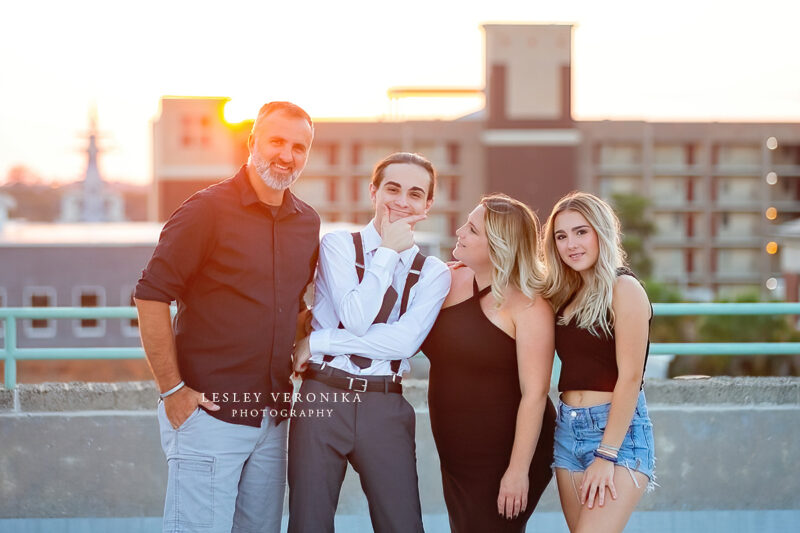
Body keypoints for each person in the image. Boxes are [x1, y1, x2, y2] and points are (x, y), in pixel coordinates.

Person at [134, 101, 319, 533]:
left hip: (272, 419)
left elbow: (285, 309)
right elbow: (151, 296)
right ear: (252, 142)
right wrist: (173, 392)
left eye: (299, 147)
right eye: (276, 141)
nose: (286, 155)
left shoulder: (306, 222)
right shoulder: (205, 210)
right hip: (208, 414)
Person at [288, 152, 451, 533]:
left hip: (385, 403)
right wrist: (388, 253)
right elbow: (357, 318)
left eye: (415, 194)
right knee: (308, 524)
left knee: (401, 524)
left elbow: (403, 344)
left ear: (427, 205)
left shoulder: (434, 272)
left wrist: (319, 340)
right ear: (373, 191)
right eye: (392, 189)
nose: (401, 201)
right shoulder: (338, 246)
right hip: (323, 397)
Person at [420, 193, 557, 533]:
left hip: (506, 455)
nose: (459, 232)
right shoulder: (447, 280)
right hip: (457, 454)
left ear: (498, 245)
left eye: (471, 230)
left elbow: (535, 395)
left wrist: (517, 470)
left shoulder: (528, 306)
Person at [541, 191, 656, 533]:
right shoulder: (565, 295)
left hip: (616, 436)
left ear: (601, 233)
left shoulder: (625, 288)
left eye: (581, 232)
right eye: (561, 236)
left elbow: (631, 377)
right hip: (567, 431)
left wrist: (606, 454)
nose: (570, 244)